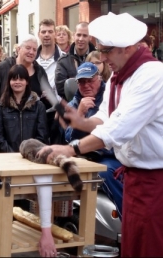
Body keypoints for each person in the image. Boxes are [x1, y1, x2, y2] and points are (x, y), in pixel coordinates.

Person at [38, 12, 163, 257]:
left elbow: (118, 129)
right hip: (137, 180)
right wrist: (81, 121)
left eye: (107, 51)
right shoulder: (120, 76)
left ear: (127, 48)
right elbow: (107, 117)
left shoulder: (152, 76)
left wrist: (70, 148)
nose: (102, 58)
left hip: (154, 182)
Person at [0, 64, 52, 256]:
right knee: (7, 205)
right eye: (14, 78)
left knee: (30, 205)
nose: (17, 82)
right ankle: (6, 244)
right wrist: (13, 155)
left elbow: (42, 134)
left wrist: (31, 156)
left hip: (33, 162)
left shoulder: (39, 106)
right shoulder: (0, 108)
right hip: (8, 162)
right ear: (9, 81)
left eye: (21, 78)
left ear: (27, 81)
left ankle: (33, 242)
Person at [65, 62, 122, 219]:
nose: (86, 85)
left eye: (90, 80)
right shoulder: (74, 104)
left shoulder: (112, 94)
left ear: (99, 78)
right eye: (82, 82)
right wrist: (80, 114)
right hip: (95, 156)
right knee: (107, 171)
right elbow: (69, 138)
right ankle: (128, 218)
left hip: (120, 151)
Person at [0, 34, 51, 125]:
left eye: (34, 49)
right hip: (6, 126)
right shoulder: (3, 68)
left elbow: (47, 99)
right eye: (28, 48)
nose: (31, 52)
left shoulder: (39, 71)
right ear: (18, 49)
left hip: (32, 127)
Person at [36, 19, 65, 144]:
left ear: (55, 34)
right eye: (43, 32)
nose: (46, 34)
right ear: (39, 34)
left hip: (56, 114)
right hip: (34, 113)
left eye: (50, 31)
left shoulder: (65, 58)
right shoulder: (31, 59)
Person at [55, 22, 95, 99]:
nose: (81, 39)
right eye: (78, 35)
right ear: (74, 35)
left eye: (85, 35)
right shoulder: (63, 61)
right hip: (72, 105)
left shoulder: (98, 58)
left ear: (90, 37)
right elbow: (61, 88)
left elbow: (104, 81)